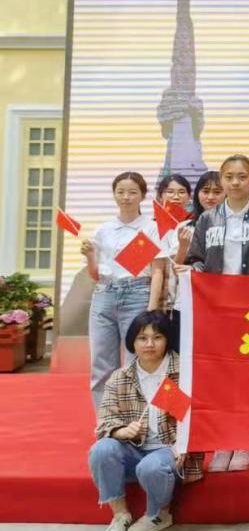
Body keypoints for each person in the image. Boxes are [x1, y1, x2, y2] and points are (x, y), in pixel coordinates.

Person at [187, 154, 249, 473]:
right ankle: (223, 442)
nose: (235, 182)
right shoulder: (208, 219)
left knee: (248, 376)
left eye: (242, 176)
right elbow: (196, 257)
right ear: (221, 180)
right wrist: (195, 272)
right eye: (229, 177)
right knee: (221, 376)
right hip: (217, 308)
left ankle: (244, 441)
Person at [88, 311, 203, 531]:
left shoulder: (184, 373)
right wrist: (121, 431)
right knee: (101, 449)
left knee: (151, 467)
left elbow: (197, 419)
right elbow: (105, 421)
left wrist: (183, 445)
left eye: (157, 337)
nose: (149, 344)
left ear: (167, 340)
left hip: (170, 452)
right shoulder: (120, 377)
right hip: (133, 450)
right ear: (132, 341)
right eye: (142, 338)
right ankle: (120, 515)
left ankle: (159, 514)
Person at [83, 172, 167, 408]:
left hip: (137, 294)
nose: (126, 197)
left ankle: (134, 419)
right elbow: (95, 275)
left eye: (132, 192)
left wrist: (151, 310)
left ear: (142, 195)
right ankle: (106, 420)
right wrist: (90, 256)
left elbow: (158, 271)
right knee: (101, 362)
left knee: (136, 359)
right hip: (105, 294)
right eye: (120, 192)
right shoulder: (104, 230)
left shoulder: (151, 228)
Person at [154, 174, 193, 312]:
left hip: (185, 298)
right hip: (156, 297)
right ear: (160, 196)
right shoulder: (151, 227)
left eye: (182, 192)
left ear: (189, 197)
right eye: (170, 192)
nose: (176, 197)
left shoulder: (195, 225)